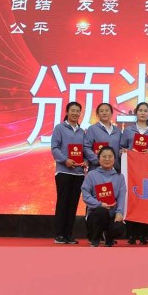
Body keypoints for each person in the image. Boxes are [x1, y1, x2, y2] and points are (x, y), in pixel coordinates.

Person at [120, 102, 148, 245]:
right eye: (140, 110)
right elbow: (121, 148)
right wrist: (125, 151)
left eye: (146, 111)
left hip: (147, 171)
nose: (143, 113)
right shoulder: (128, 131)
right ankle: (132, 235)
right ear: (136, 112)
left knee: (145, 202)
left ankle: (144, 235)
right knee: (132, 200)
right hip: (131, 171)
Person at [51, 101, 86, 244]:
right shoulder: (59, 128)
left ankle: (69, 234)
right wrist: (65, 160)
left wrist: (86, 161)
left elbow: (85, 150)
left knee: (73, 205)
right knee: (63, 203)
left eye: (78, 111)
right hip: (64, 171)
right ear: (67, 112)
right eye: (72, 110)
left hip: (78, 173)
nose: (75, 113)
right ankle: (59, 234)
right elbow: (54, 148)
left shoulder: (82, 132)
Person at [81, 146, 127, 247]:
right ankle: (95, 238)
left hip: (112, 214)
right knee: (101, 211)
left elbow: (122, 196)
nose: (107, 159)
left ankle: (108, 237)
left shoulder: (120, 176)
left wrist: (119, 213)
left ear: (114, 159)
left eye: (110, 156)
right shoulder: (91, 175)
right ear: (99, 159)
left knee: (119, 227)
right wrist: (100, 204)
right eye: (104, 156)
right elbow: (85, 195)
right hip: (95, 213)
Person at [83, 103, 123, 172]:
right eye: (101, 111)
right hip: (97, 169)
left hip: (114, 170)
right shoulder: (92, 129)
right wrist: (98, 160)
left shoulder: (118, 131)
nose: (104, 113)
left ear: (111, 113)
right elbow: (86, 147)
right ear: (97, 114)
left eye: (107, 110)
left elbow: (120, 148)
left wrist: (123, 152)